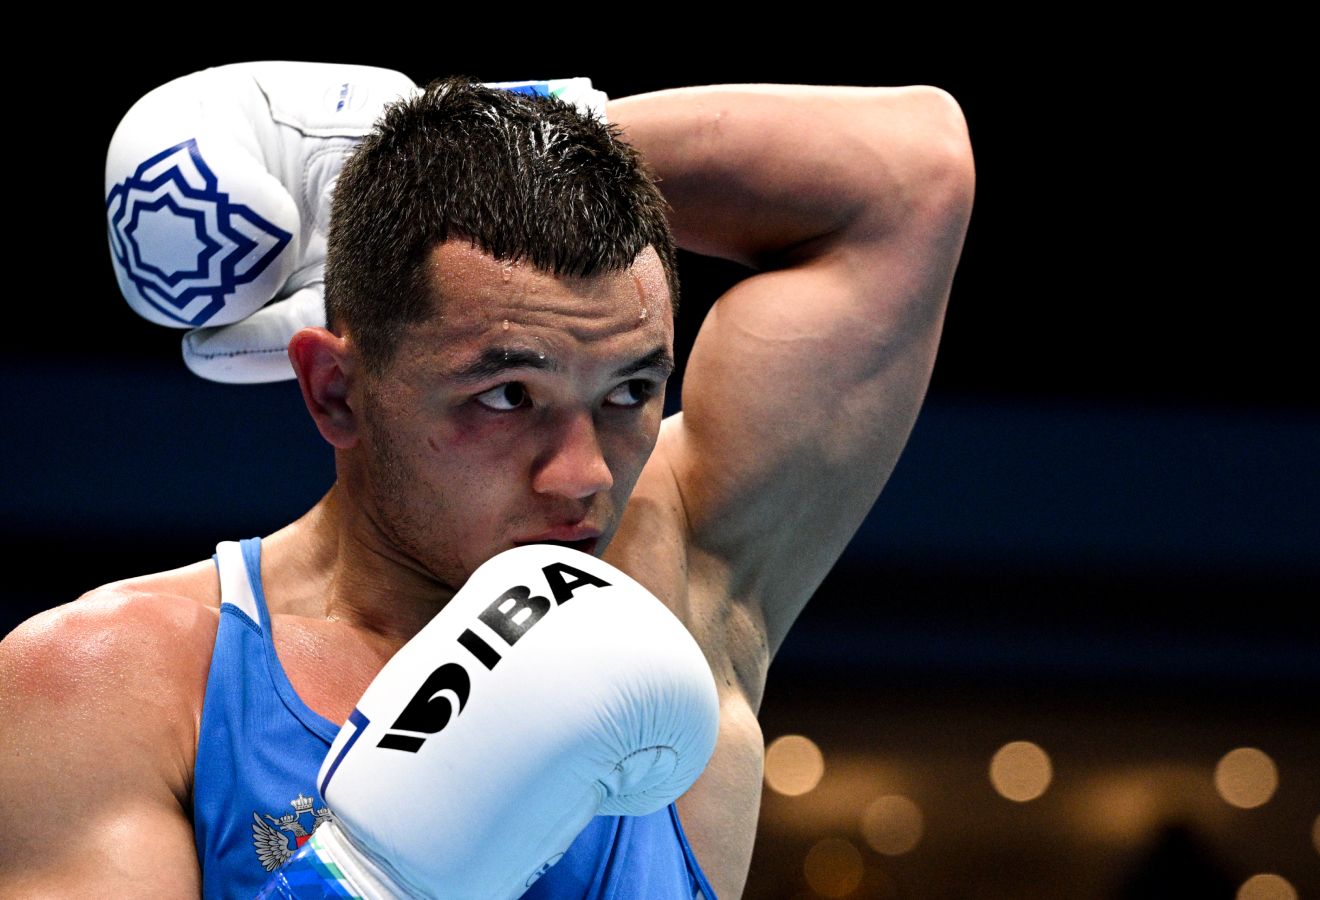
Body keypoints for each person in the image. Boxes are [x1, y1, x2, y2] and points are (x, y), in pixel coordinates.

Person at [0, 63, 974, 899]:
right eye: (508, 397)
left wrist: (438, 147)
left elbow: (913, 172)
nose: (585, 476)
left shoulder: (677, 575)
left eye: (630, 391)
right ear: (335, 391)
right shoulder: (119, 685)